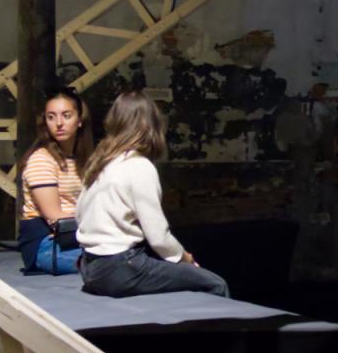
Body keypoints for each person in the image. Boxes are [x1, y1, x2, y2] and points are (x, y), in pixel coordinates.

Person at [76, 89, 231, 298]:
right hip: (120, 268)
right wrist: (185, 259)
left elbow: (80, 215)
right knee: (214, 284)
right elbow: (158, 237)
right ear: (150, 125)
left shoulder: (99, 163)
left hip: (90, 268)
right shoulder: (138, 166)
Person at [17, 87, 92, 275]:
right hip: (48, 243)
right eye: (51, 117)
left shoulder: (85, 159)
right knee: (109, 263)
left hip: (78, 237)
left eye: (66, 116)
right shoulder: (41, 159)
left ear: (79, 120)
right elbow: (55, 216)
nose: (59, 123)